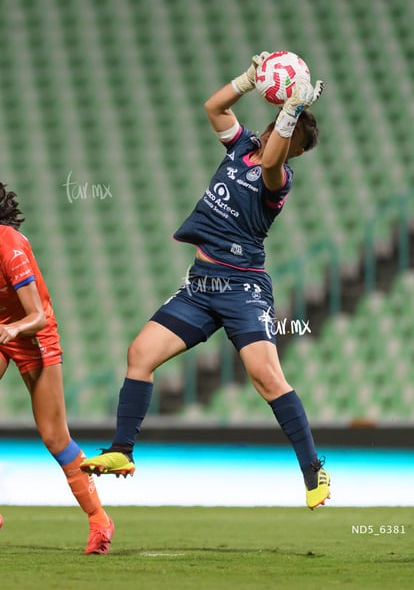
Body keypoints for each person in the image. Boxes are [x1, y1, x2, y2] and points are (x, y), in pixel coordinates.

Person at [81, 52, 330, 509]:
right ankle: (121, 450)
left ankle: (314, 471)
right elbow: (214, 108)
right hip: (202, 284)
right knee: (140, 353)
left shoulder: (279, 177)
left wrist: (293, 111)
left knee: (267, 377)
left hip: (243, 287)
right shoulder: (240, 145)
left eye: (288, 135)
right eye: (279, 123)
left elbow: (272, 161)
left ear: (293, 146)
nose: (278, 134)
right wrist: (248, 79)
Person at [0, 183, 114, 553]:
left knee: (54, 437)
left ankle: (100, 520)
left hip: (34, 336)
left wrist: (12, 329)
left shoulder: (9, 244)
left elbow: (35, 316)